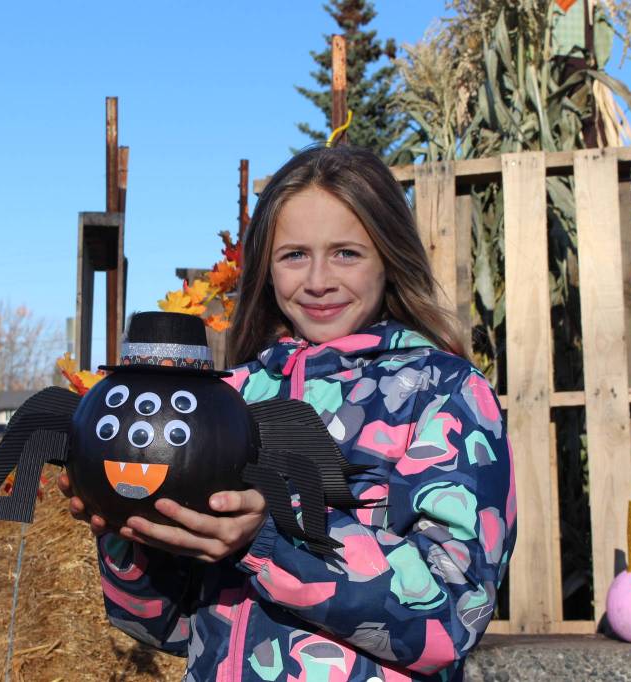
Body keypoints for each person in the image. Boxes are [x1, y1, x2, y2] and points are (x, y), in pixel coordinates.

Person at [58, 144, 515, 681]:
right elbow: (170, 628)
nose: (318, 280)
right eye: (294, 255)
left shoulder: (442, 392)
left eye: (346, 253)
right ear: (266, 269)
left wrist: (271, 536)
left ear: (389, 257)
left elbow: (453, 614)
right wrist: (129, 529)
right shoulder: (229, 398)